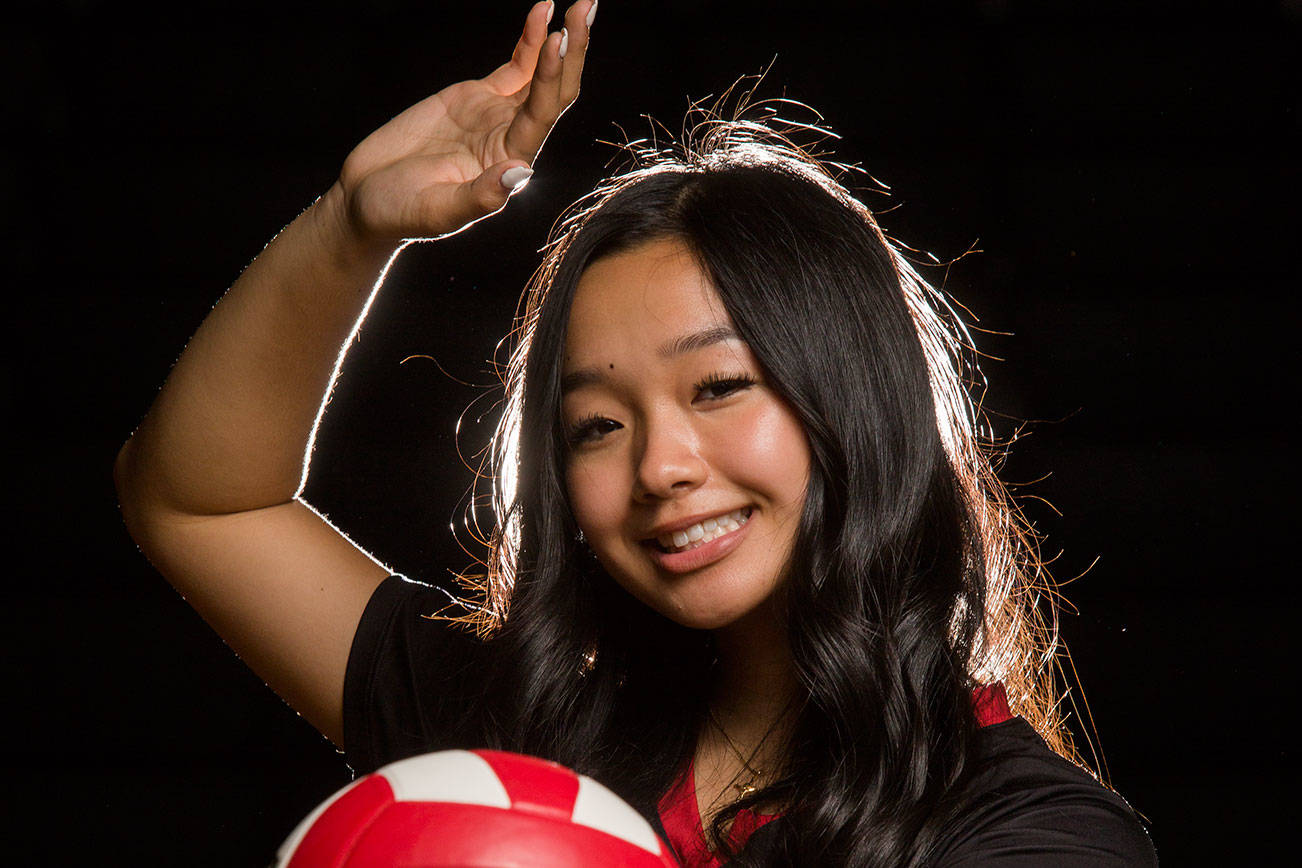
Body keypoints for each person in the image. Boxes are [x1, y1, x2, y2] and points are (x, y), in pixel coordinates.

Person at [114, 2, 1158, 865]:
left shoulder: (1034, 831)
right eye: (597, 425)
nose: (660, 466)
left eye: (717, 387)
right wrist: (353, 225)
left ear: (854, 401)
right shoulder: (521, 748)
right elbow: (200, 497)